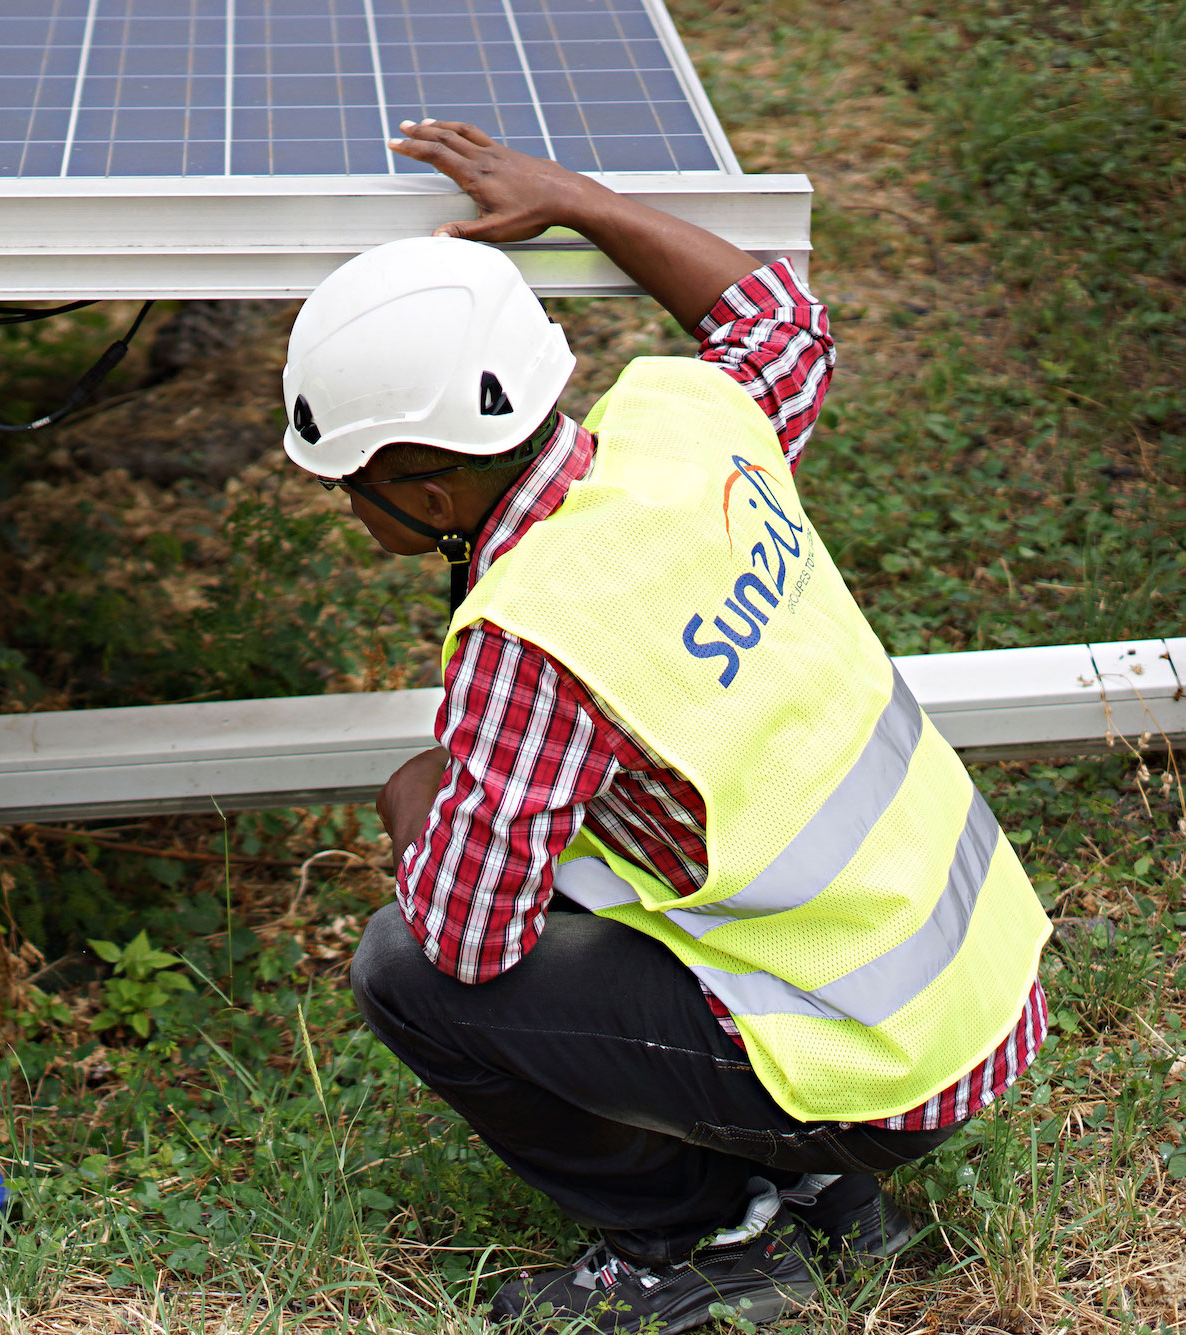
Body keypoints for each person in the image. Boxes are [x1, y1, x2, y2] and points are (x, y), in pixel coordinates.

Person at [282, 123, 1051, 1332]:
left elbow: (467, 942)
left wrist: (417, 805)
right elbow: (777, 318)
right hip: (979, 983)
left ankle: (697, 1240)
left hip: (883, 1067)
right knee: (571, 840)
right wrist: (577, 201)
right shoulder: (688, 426)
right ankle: (825, 1191)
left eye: (350, 487)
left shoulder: (533, 634)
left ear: (425, 495)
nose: (347, 509)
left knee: (401, 968)